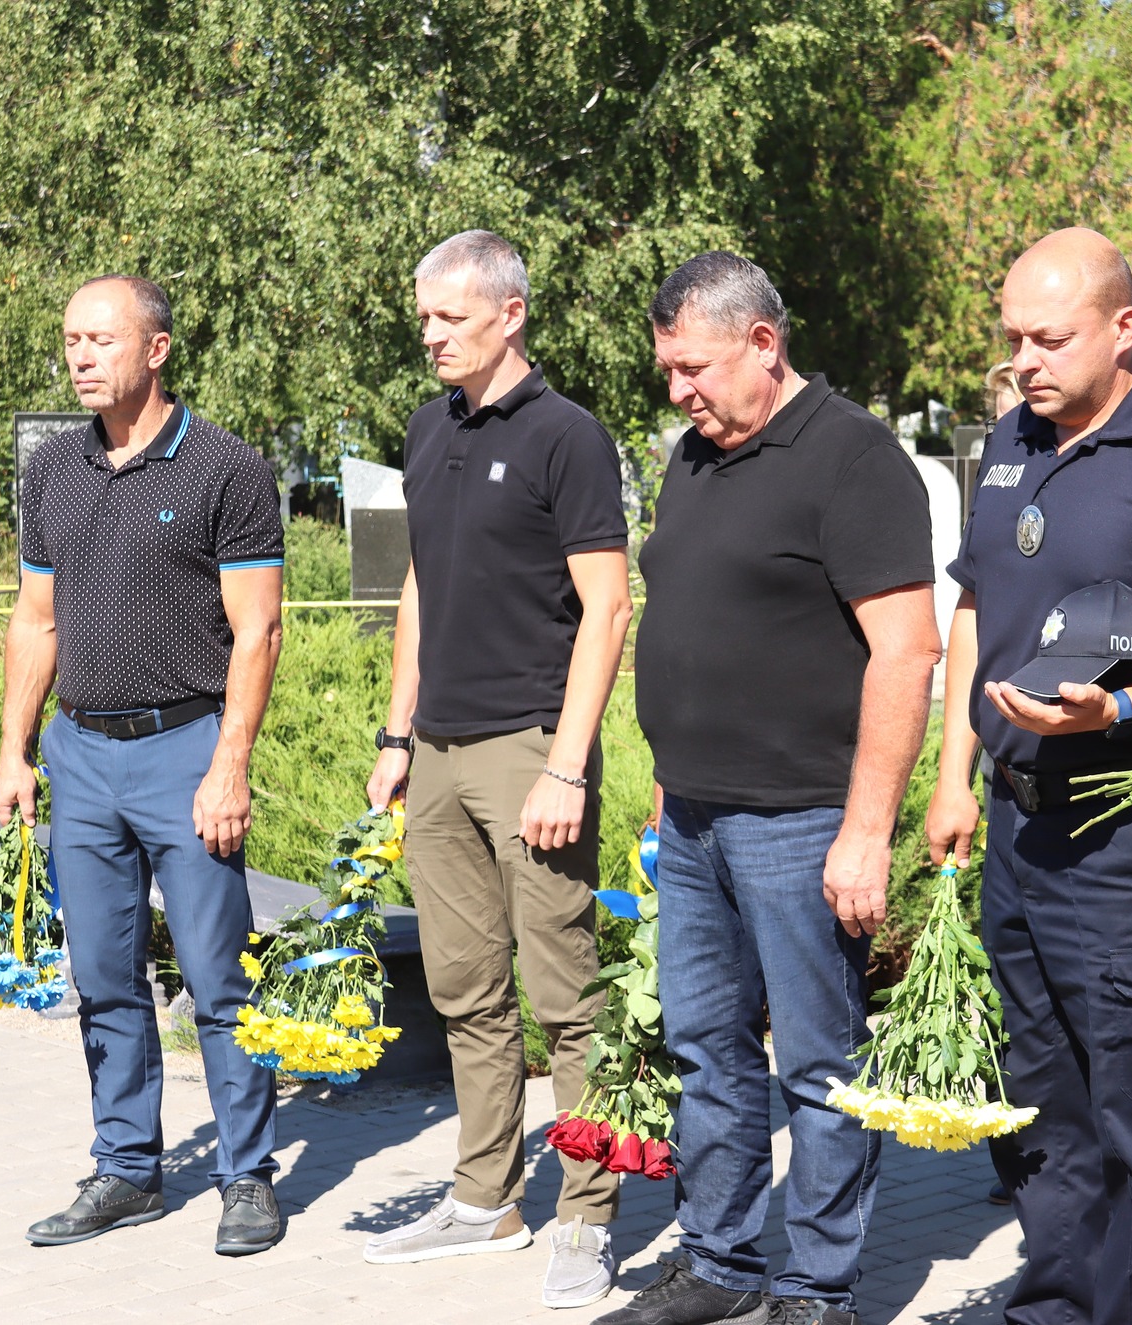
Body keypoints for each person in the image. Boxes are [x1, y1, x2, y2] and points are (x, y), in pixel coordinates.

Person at [925, 227, 1132, 1325]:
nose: (1023, 360)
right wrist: (952, 774)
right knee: (1043, 1108)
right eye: (1012, 338)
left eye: (1049, 338)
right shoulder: (1011, 439)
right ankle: (1058, 1306)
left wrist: (1122, 708)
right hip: (1017, 828)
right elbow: (976, 606)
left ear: (1124, 329)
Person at [602, 251, 940, 1325]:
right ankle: (720, 1261)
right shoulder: (693, 458)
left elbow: (906, 651)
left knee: (819, 1061)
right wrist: (669, 779)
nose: (677, 391)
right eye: (667, 369)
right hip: (694, 815)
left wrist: (867, 830)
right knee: (705, 1049)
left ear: (763, 342)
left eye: (693, 367)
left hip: (802, 820)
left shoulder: (852, 457)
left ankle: (818, 1283)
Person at [359, 230, 634, 1312]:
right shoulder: (429, 428)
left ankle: (589, 1214)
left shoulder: (568, 436)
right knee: (463, 987)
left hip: (531, 745)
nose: (430, 335)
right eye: (423, 317)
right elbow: (421, 586)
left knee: (567, 999)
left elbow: (607, 607)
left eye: (451, 316)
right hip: (437, 749)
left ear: (510, 313)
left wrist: (565, 765)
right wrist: (397, 737)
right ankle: (486, 1198)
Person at [0, 274, 286, 1255]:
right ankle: (126, 1169)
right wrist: (15, 749)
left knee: (218, 978)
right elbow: (35, 620)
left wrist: (229, 765)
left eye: (101, 339)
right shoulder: (53, 469)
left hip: (185, 751)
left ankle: (247, 1176)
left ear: (156, 349)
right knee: (103, 977)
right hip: (80, 756)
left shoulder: (225, 467)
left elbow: (258, 632)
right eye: (71, 340)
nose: (80, 357)